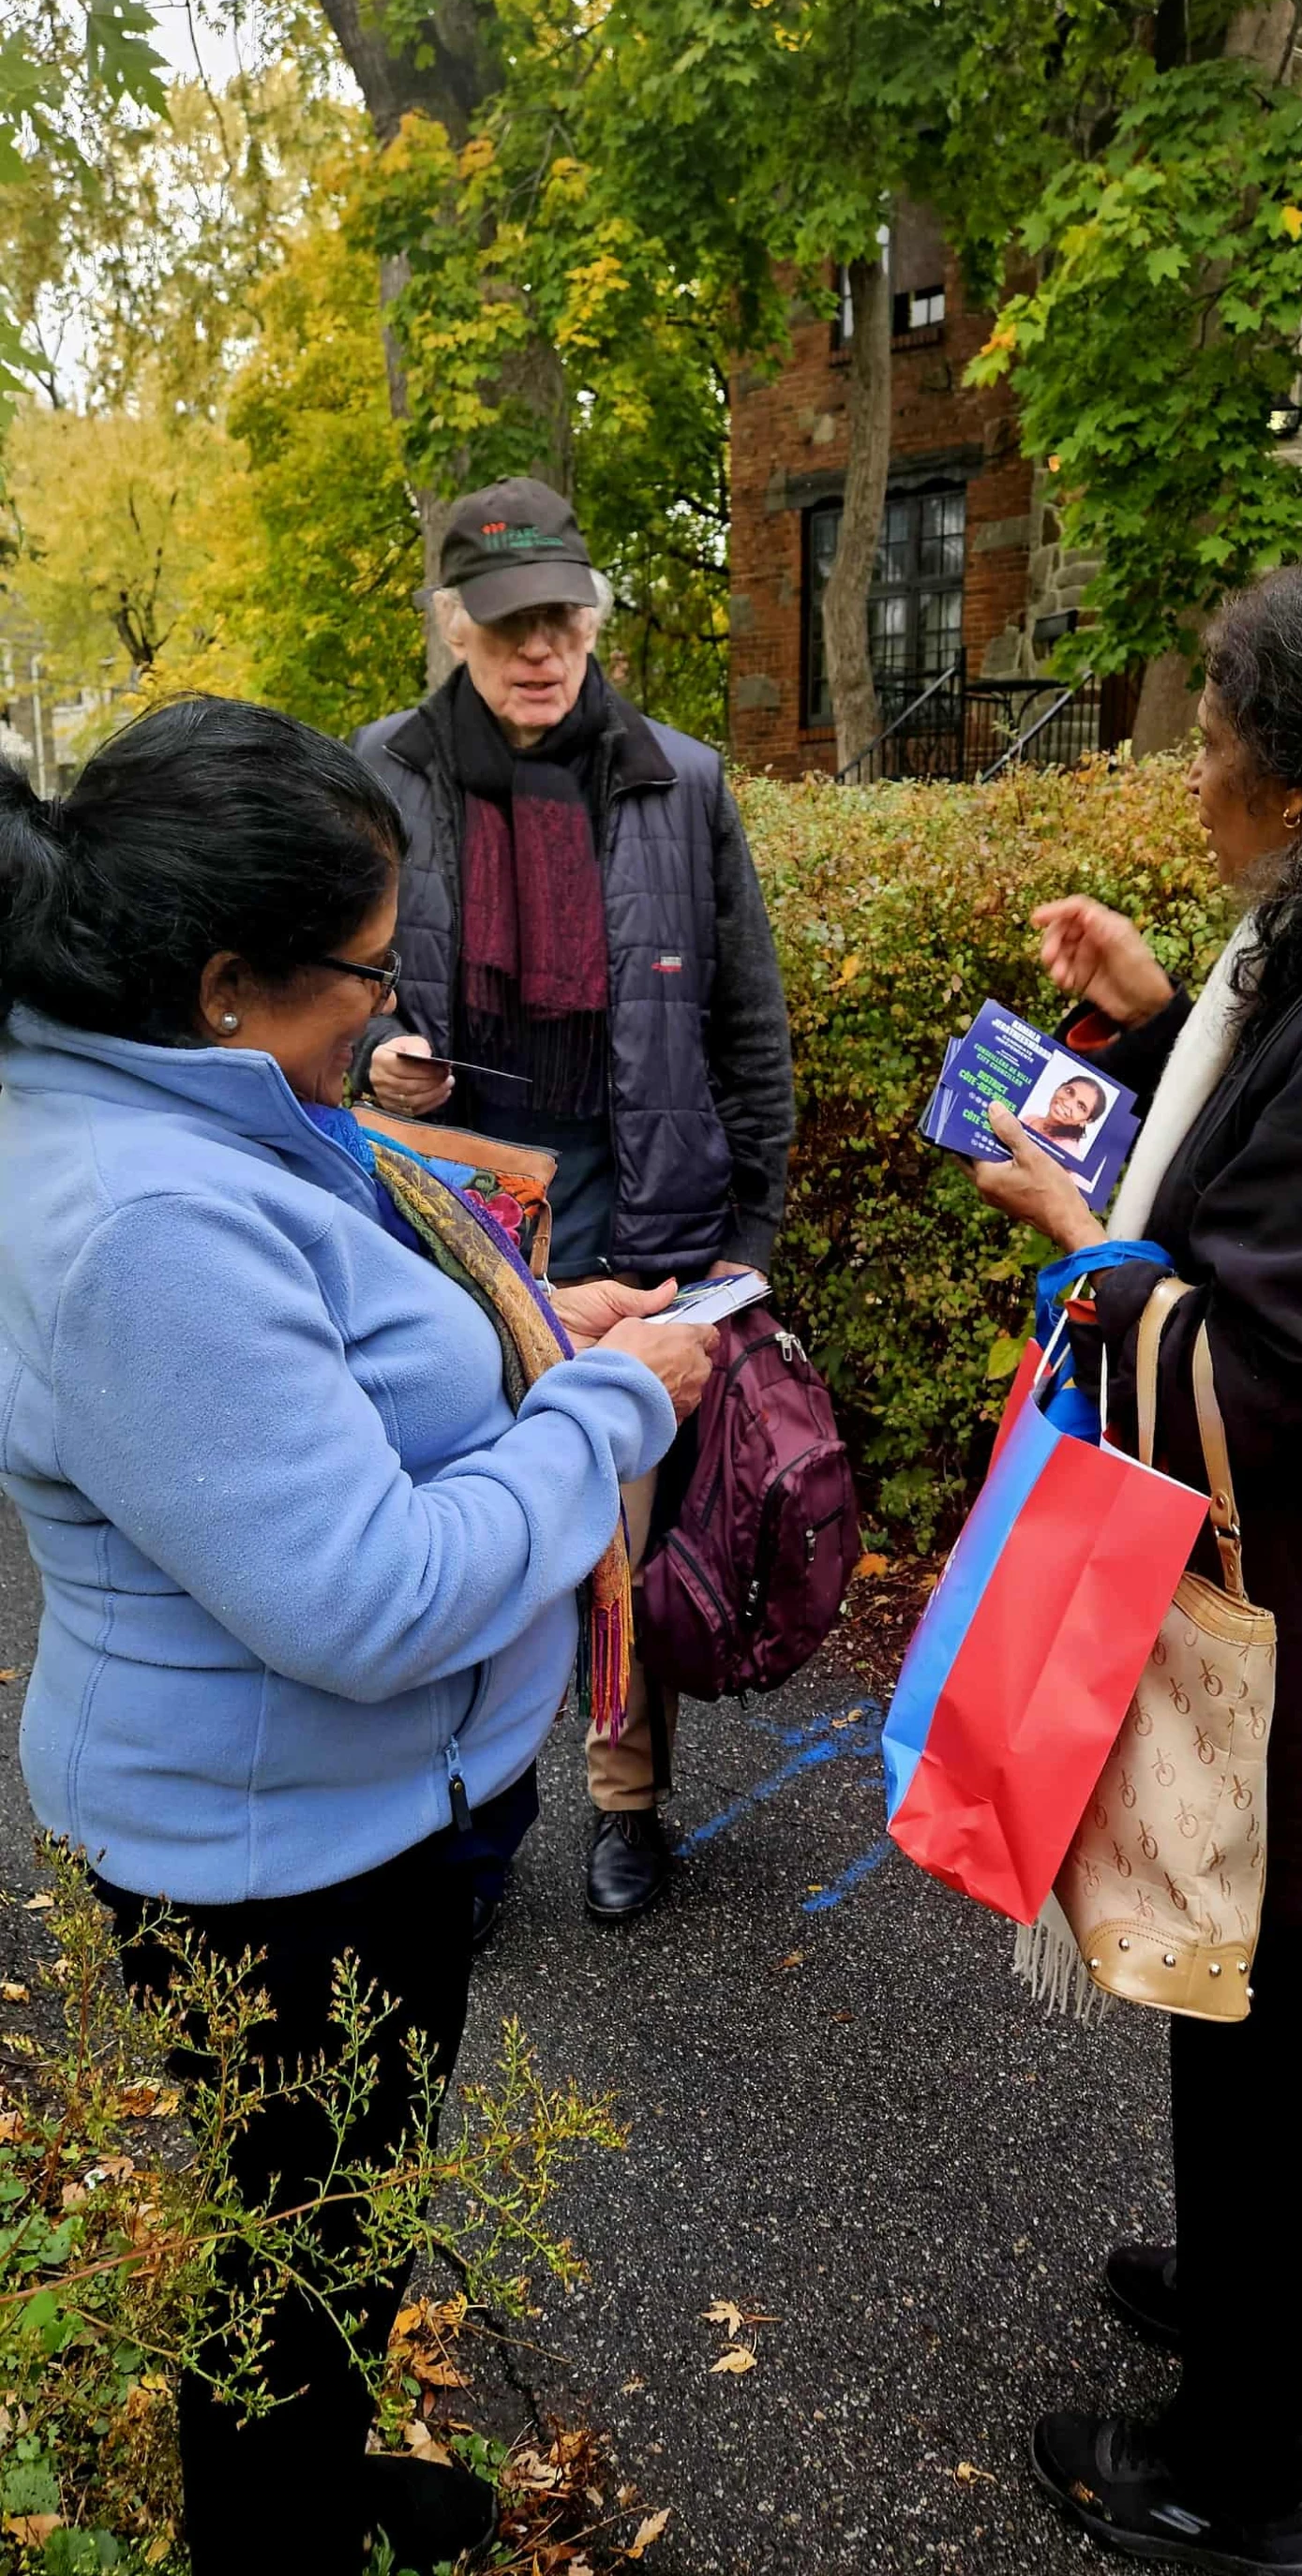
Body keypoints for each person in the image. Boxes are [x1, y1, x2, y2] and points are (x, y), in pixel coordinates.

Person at [0, 698, 715, 2576]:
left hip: (318, 1812)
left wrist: (538, 1323)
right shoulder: (145, 1222)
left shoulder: (186, 1102)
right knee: (298, 2247)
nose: (386, 1016)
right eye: (364, 975)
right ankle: (278, 2532)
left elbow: (329, 1354)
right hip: (282, 1861)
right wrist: (607, 1407)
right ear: (225, 981)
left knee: (327, 2221)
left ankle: (315, 2485)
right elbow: (369, 1596)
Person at [968, 553, 1302, 2576]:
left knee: (1280, 2010)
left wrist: (1081, 1248)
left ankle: (1236, 2472)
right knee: (1290, 1994)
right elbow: (1290, 1191)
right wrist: (1153, 1016)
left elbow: (1250, 1374)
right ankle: (1290, 2315)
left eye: (1209, 740)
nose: (1187, 775)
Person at [350, 477, 795, 1925]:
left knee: (615, 1523)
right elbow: (327, 984)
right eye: (505, 625)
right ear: (454, 628)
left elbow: (747, 1022)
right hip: (448, 1209)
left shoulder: (681, 781)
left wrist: (748, 1242)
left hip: (633, 1199)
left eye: (558, 619)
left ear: (594, 621)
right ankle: (468, 1826)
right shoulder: (382, 773)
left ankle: (627, 1801)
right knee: (457, 1513)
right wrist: (373, 1052)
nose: (537, 649)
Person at [1019, 1069, 1108, 1152]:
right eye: (1069, 1091)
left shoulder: (1067, 1149)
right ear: (1059, 1088)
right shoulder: (1031, 1118)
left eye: (1081, 1107)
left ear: (1086, 1121)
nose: (1067, 1103)